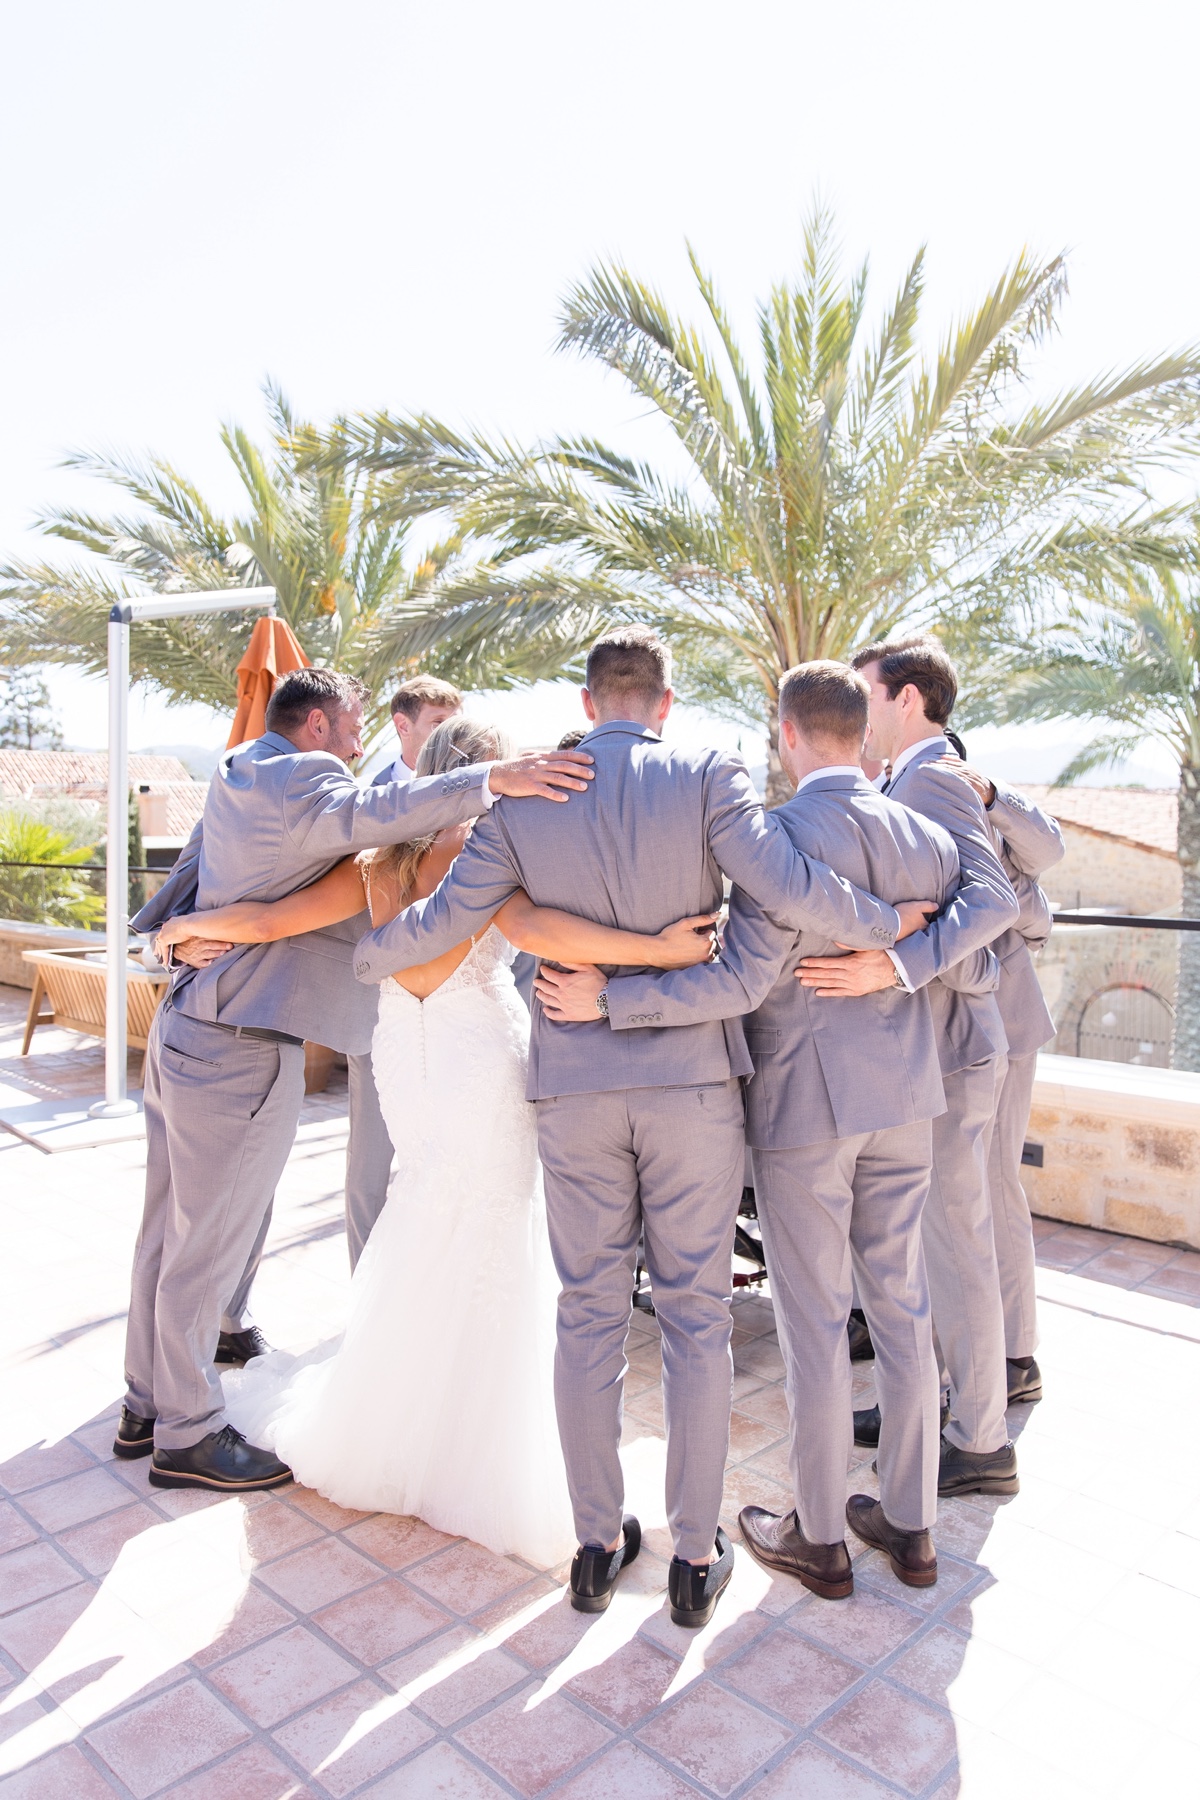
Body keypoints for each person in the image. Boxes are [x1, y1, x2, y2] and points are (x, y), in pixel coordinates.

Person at [352, 626, 932, 1629]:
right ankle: (694, 1558)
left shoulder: (528, 797)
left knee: (587, 1314)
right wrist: (889, 931)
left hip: (573, 1091)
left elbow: (437, 923)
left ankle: (592, 1545)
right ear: (664, 705)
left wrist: (375, 953)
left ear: (588, 706)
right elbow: (791, 893)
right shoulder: (708, 777)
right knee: (698, 1322)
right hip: (693, 1092)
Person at [153, 716, 717, 1562]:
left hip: (402, 1056)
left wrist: (187, 929)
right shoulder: (489, 847)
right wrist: (659, 950)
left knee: (421, 1211)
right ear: (495, 772)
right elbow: (533, 935)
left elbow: (272, 920)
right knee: (493, 1223)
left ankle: (396, 1433)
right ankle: (478, 1451)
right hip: (471, 1055)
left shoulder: (379, 862)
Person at [539, 662, 1012, 1595]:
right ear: (861, 737)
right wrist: (905, 964)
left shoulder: (775, 840)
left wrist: (615, 1001)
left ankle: (821, 1533)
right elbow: (994, 926)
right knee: (903, 1308)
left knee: (813, 1320)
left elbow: (739, 983)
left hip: (802, 1111)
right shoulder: (923, 832)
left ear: (789, 734)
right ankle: (912, 1527)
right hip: (906, 1101)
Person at [115, 668, 595, 1494]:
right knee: (205, 1248)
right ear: (314, 726)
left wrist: (167, 938)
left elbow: (242, 901)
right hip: (242, 1043)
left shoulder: (246, 778)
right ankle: (186, 1433)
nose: (359, 746)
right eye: (350, 726)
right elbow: (384, 839)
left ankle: (144, 1405)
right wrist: (496, 785)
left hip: (191, 1024)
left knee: (168, 1232)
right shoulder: (322, 788)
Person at [848, 637, 1022, 1499]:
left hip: (954, 1047)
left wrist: (905, 962)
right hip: (929, 1051)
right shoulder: (900, 781)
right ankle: (920, 1399)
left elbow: (994, 899)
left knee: (955, 1248)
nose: (858, 709)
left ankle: (982, 1439)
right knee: (916, 1247)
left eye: (866, 694)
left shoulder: (933, 775)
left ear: (907, 699)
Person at [938, 747, 1065, 1403]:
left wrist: (993, 793)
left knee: (993, 1184)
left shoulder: (973, 797)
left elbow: (1045, 858)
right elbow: (1031, 905)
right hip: (968, 1024)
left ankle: (1014, 1357)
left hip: (1003, 1024)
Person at [371, 675, 463, 788]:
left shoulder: (476, 793)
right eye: (439, 722)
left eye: (456, 724)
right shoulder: (364, 796)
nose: (453, 733)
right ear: (403, 726)